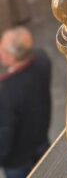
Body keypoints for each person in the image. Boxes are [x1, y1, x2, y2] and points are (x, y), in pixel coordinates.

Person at [0, 27, 51, 178]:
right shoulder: (42, 60)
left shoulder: (6, 91)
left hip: (17, 159)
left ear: (12, 57)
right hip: (40, 139)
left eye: (2, 50)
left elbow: (5, 133)